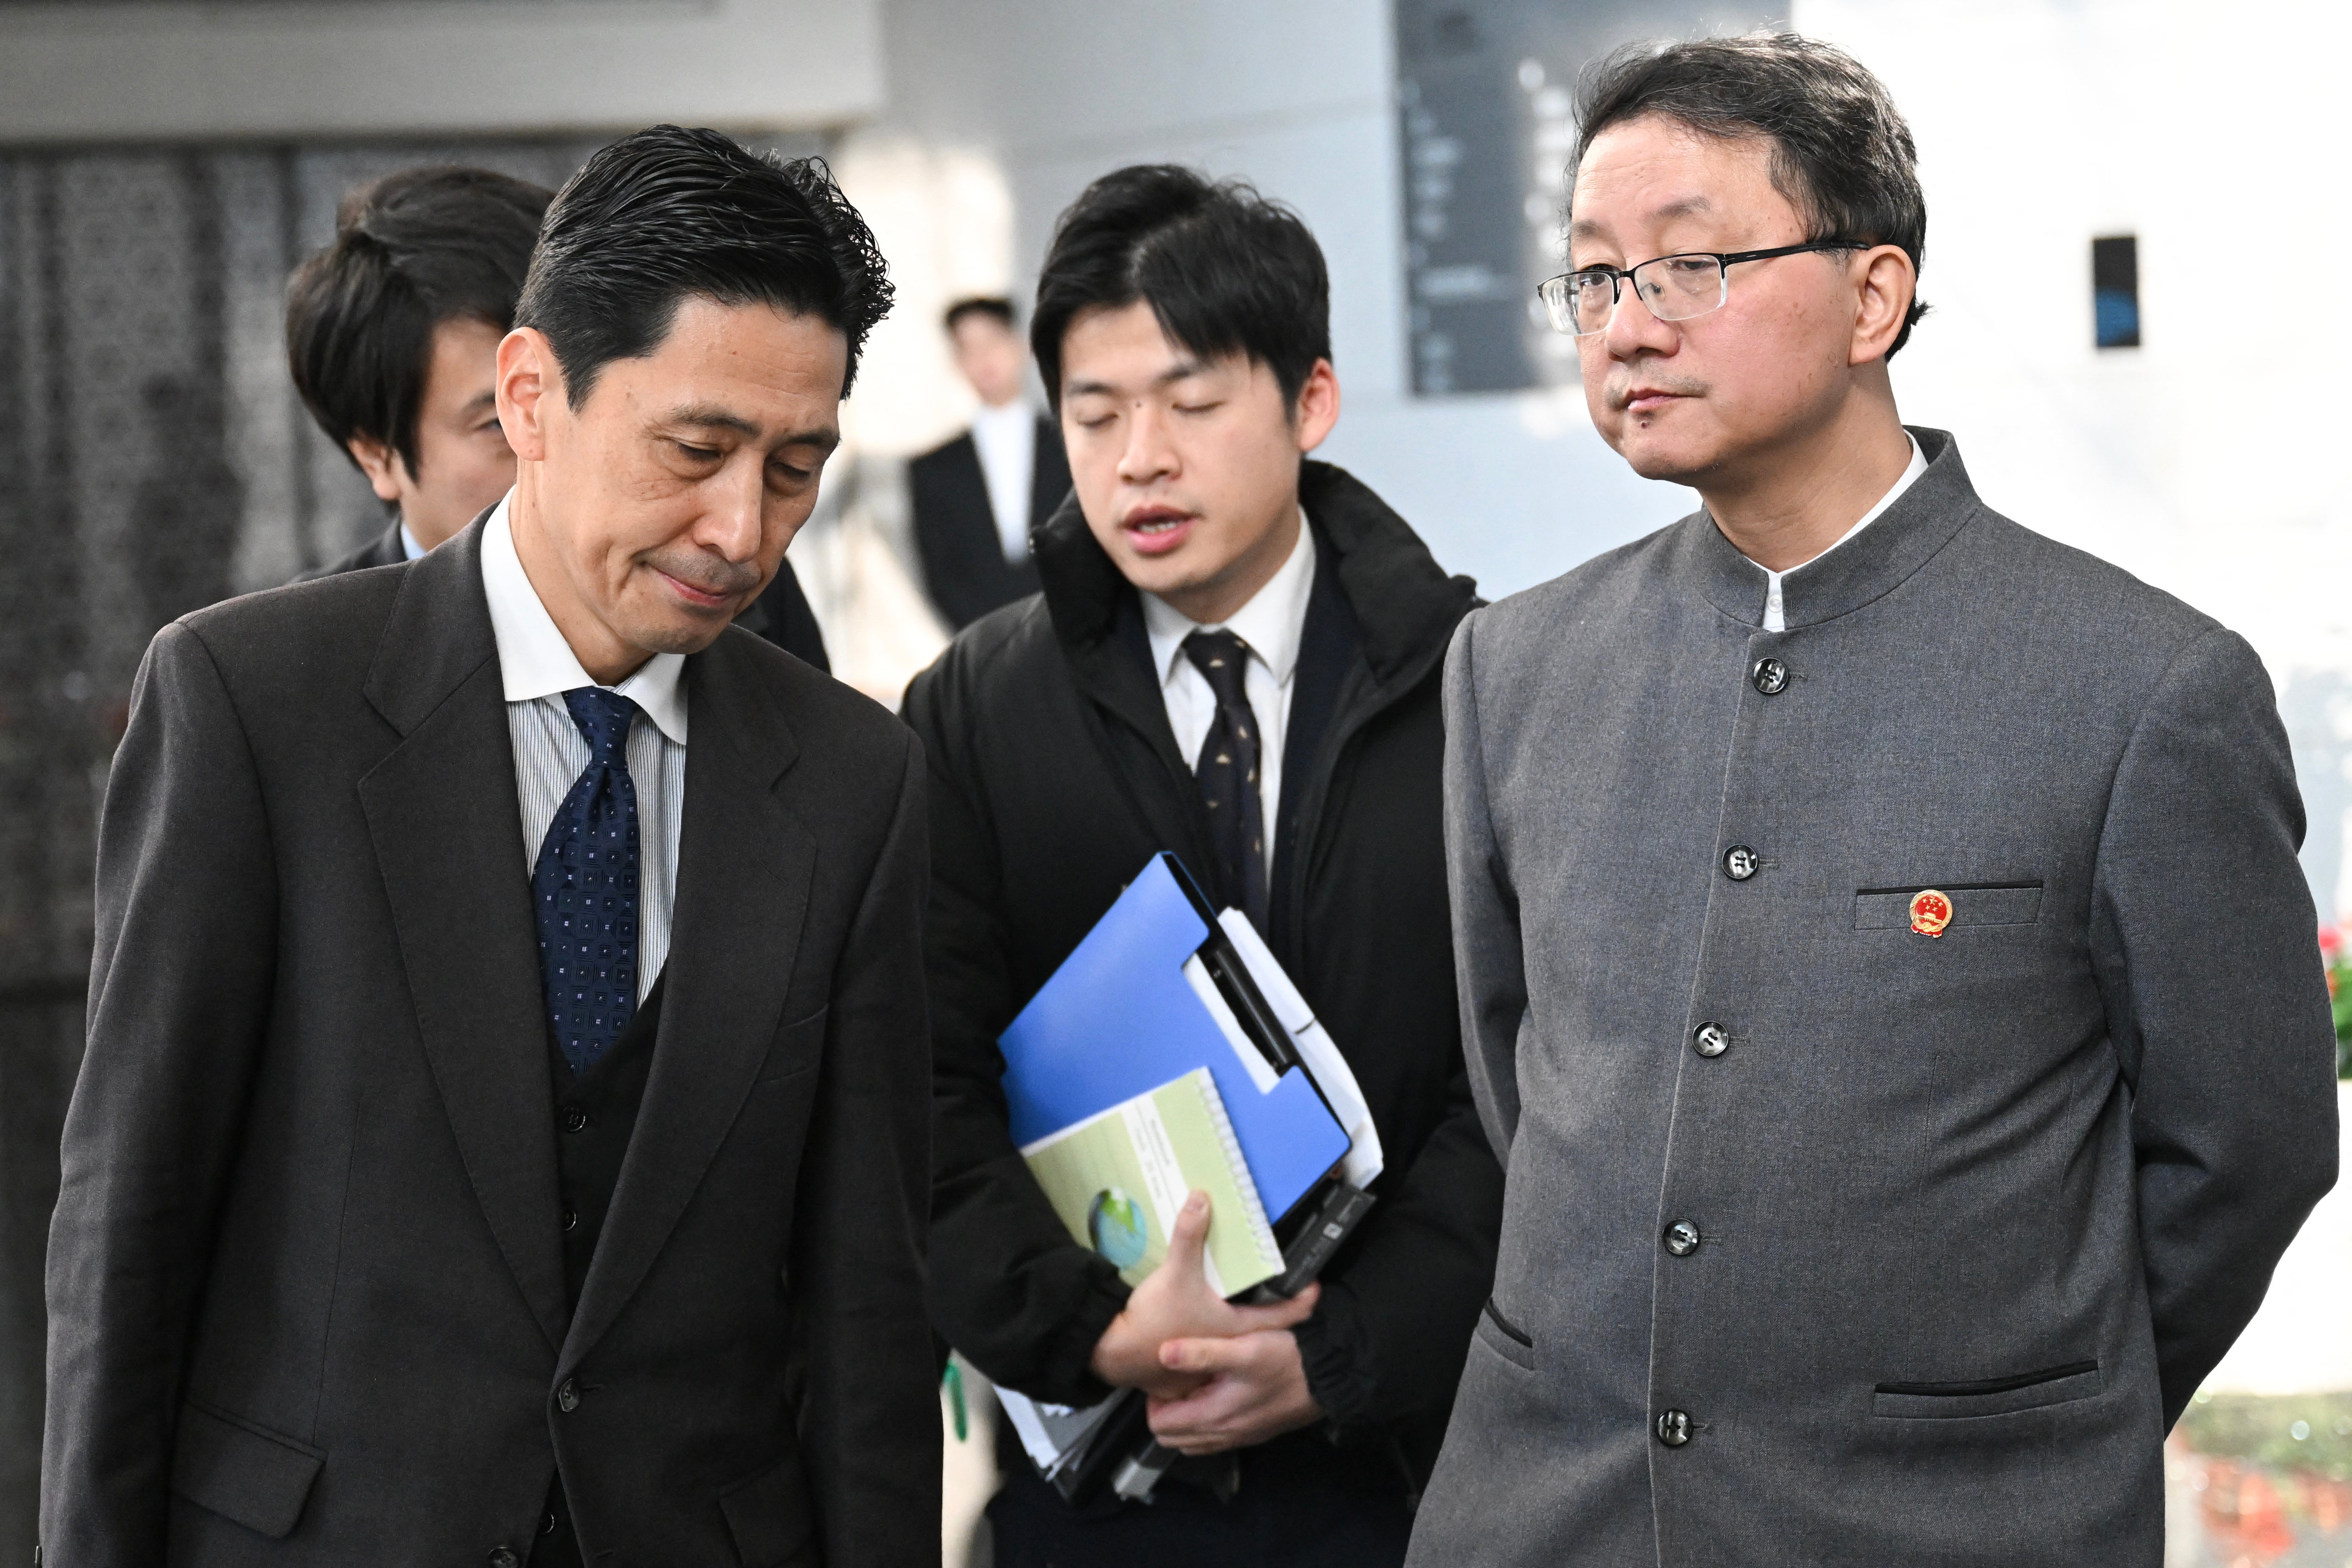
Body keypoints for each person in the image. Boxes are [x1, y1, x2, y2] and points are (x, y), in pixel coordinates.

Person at [1408, 34, 2339, 1568]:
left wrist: (2026, 1400)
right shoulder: (1509, 668)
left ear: (1871, 295)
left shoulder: (2137, 688)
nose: (1625, 324)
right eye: (1591, 278)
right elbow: (1528, 1087)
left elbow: (2244, 1147)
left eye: (1688, 264)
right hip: (1542, 1514)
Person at [44, 126, 937, 1567]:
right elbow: (130, 1227)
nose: (740, 528)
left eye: (794, 468)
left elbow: (869, 1310)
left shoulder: (853, 779)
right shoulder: (256, 707)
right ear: (530, 395)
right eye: (697, 450)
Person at [910, 166, 1503, 1568]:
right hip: (1097, 1493)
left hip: (1418, 1486)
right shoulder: (974, 710)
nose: (1137, 461)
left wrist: (1346, 1351)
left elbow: (1529, 1083)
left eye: (1190, 403)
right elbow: (913, 1083)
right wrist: (1093, 1329)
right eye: (1095, 414)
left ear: (1310, 400)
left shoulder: (1480, 685)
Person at [286, 163, 829, 669]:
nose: (737, 534)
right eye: (500, 422)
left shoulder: (737, 593)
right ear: (376, 452)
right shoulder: (296, 665)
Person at [907, 296, 1072, 630]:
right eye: (969, 348)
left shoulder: (1073, 445)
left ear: (1021, 346)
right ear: (956, 362)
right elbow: (939, 574)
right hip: (984, 642)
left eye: (993, 341)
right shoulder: (932, 468)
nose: (984, 359)